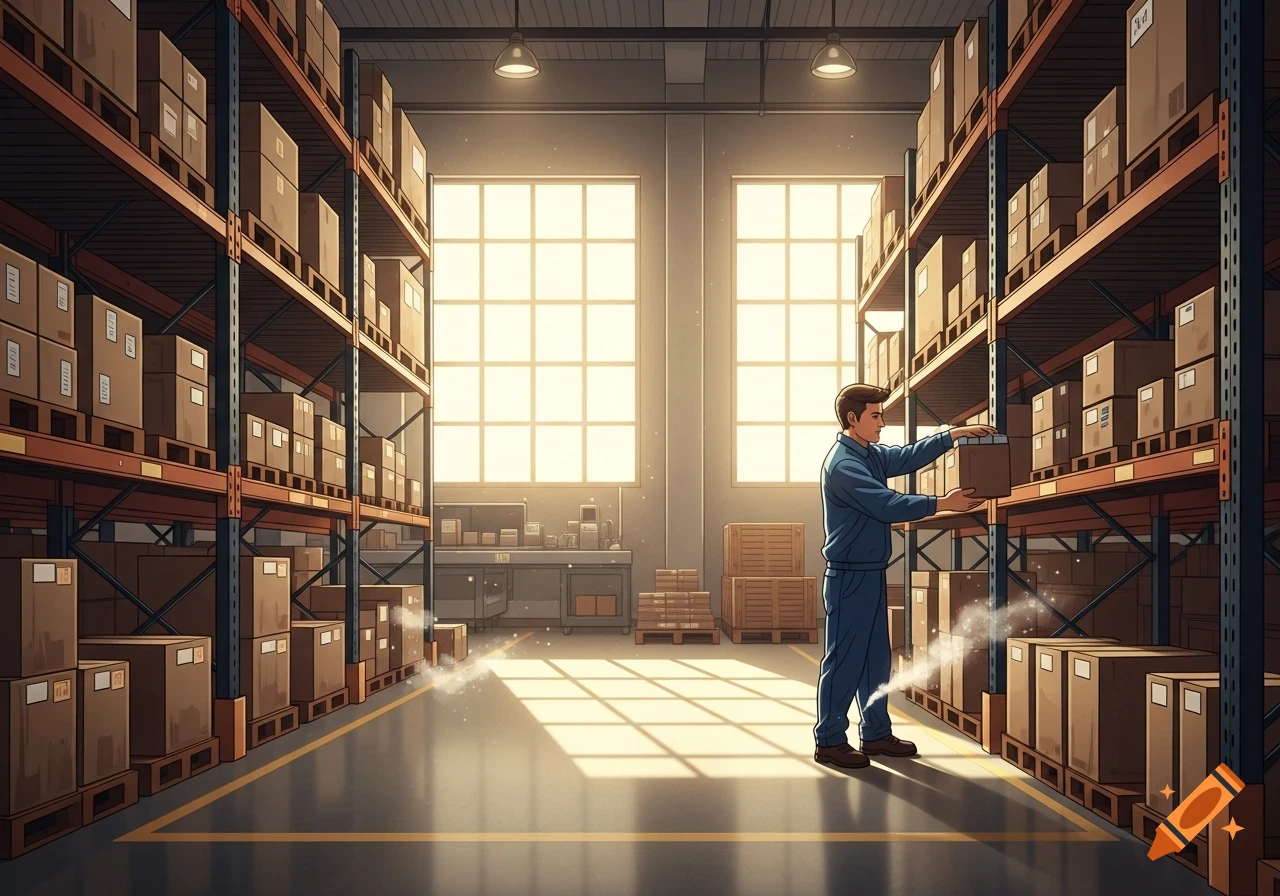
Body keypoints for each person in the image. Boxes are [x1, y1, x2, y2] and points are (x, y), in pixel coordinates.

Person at [813, 384, 993, 770]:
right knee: (845, 660)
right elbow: (886, 505)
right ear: (853, 419)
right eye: (876, 416)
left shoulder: (868, 455)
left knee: (876, 660)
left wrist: (952, 435)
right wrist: (942, 503)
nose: (882, 423)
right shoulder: (844, 465)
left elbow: (904, 457)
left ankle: (875, 732)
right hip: (848, 577)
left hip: (871, 571)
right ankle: (829, 740)